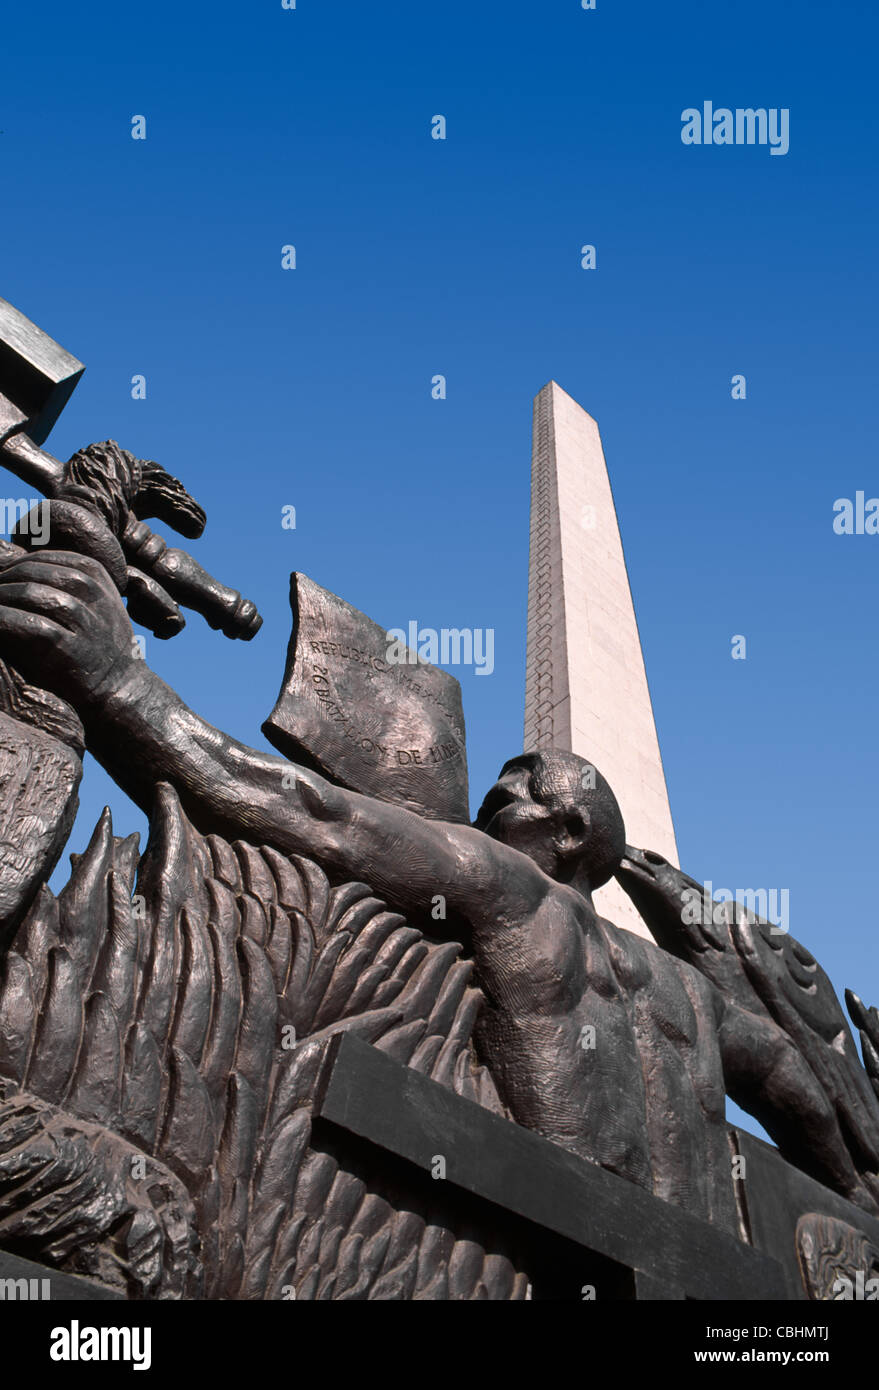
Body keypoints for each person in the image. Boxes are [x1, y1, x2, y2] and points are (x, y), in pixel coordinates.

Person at [0, 548, 872, 1226]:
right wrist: (850, 1192)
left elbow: (316, 814)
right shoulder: (693, 996)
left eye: (526, 781)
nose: (498, 787)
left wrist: (119, 681)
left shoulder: (511, 888)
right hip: (685, 1258)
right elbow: (796, 1087)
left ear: (568, 837)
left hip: (542, 1228)